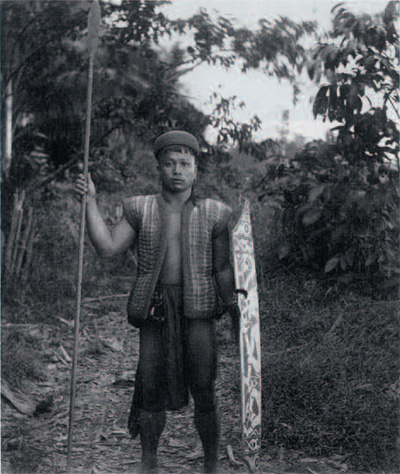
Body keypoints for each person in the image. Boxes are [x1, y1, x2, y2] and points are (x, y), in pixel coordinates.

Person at [75, 130, 239, 473]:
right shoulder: (141, 208)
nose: (177, 170)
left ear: (196, 170)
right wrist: (90, 201)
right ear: (159, 169)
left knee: (204, 387)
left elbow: (223, 268)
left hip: (198, 310)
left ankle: (211, 463)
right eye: (169, 164)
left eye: (184, 164)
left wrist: (236, 310)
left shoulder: (215, 214)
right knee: (150, 385)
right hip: (155, 310)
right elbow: (107, 247)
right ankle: (148, 462)